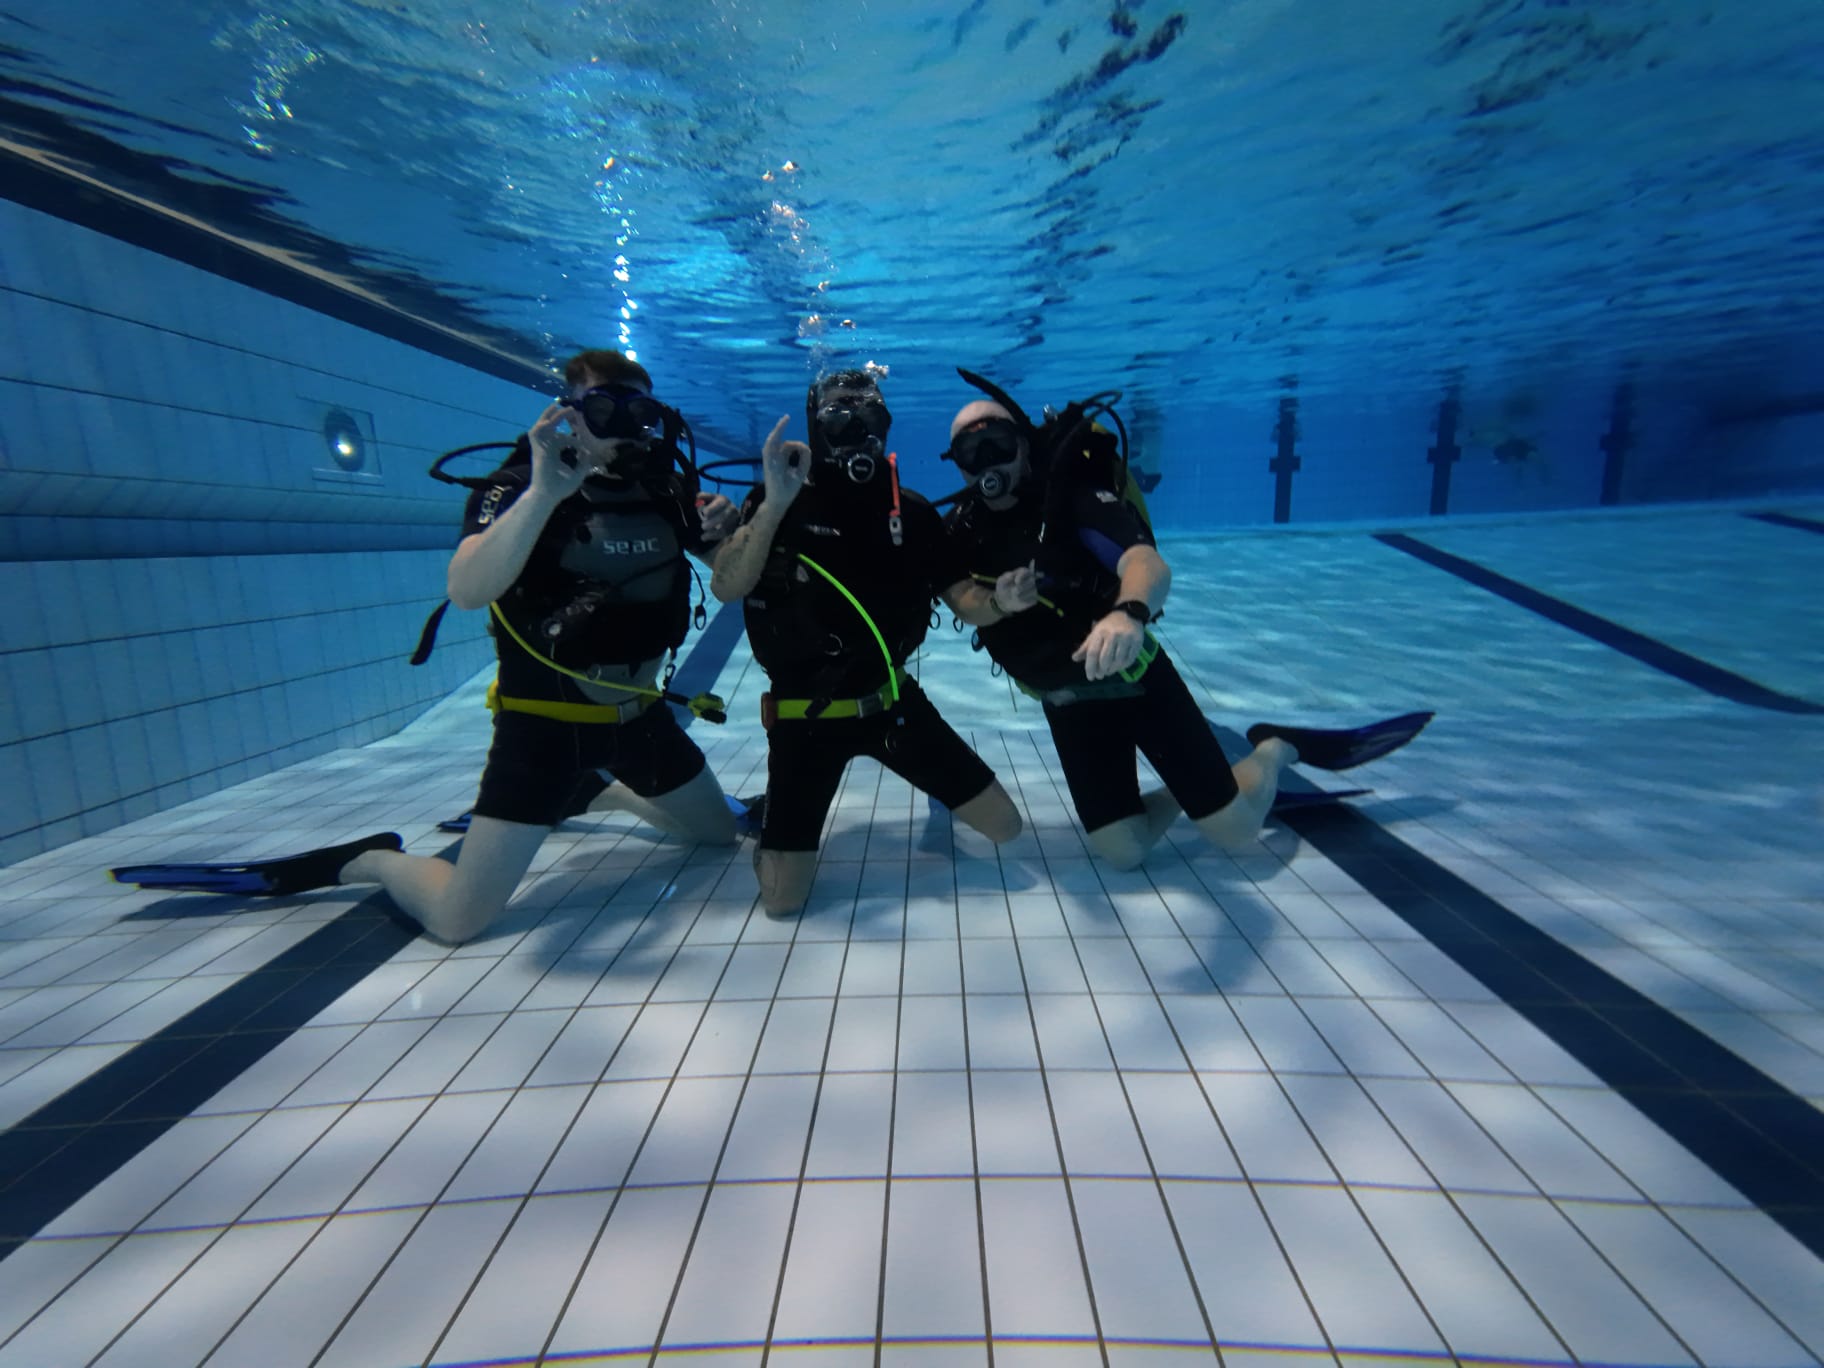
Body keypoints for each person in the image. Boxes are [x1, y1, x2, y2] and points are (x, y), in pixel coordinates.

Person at [114, 350, 743, 943]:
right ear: (570, 416)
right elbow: (467, 590)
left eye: (641, 413)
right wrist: (544, 494)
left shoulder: (665, 492)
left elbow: (731, 577)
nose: (627, 429)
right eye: (606, 410)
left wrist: (737, 529)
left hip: (641, 722)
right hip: (545, 732)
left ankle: (599, 793)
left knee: (718, 836)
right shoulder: (515, 489)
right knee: (457, 920)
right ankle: (370, 860)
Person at [937, 375, 1430, 870]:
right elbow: (963, 601)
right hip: (1066, 700)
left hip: (1134, 679)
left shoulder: (1072, 499)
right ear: (957, 463)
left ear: (1024, 446)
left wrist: (1129, 614)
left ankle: (1276, 747)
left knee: (1235, 829)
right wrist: (999, 602)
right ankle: (1200, 788)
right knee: (1124, 852)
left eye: (997, 444)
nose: (987, 462)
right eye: (970, 452)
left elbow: (1144, 562)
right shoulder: (961, 528)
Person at [709, 368, 1022, 917]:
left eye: (870, 415)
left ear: (887, 424)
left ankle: (933, 787)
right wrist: (774, 506)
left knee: (1007, 827)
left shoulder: (914, 513)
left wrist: (1002, 602)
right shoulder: (777, 501)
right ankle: (768, 819)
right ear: (816, 426)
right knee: (782, 903)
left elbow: (965, 600)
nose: (858, 430)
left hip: (891, 704)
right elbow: (727, 585)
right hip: (805, 717)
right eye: (839, 418)